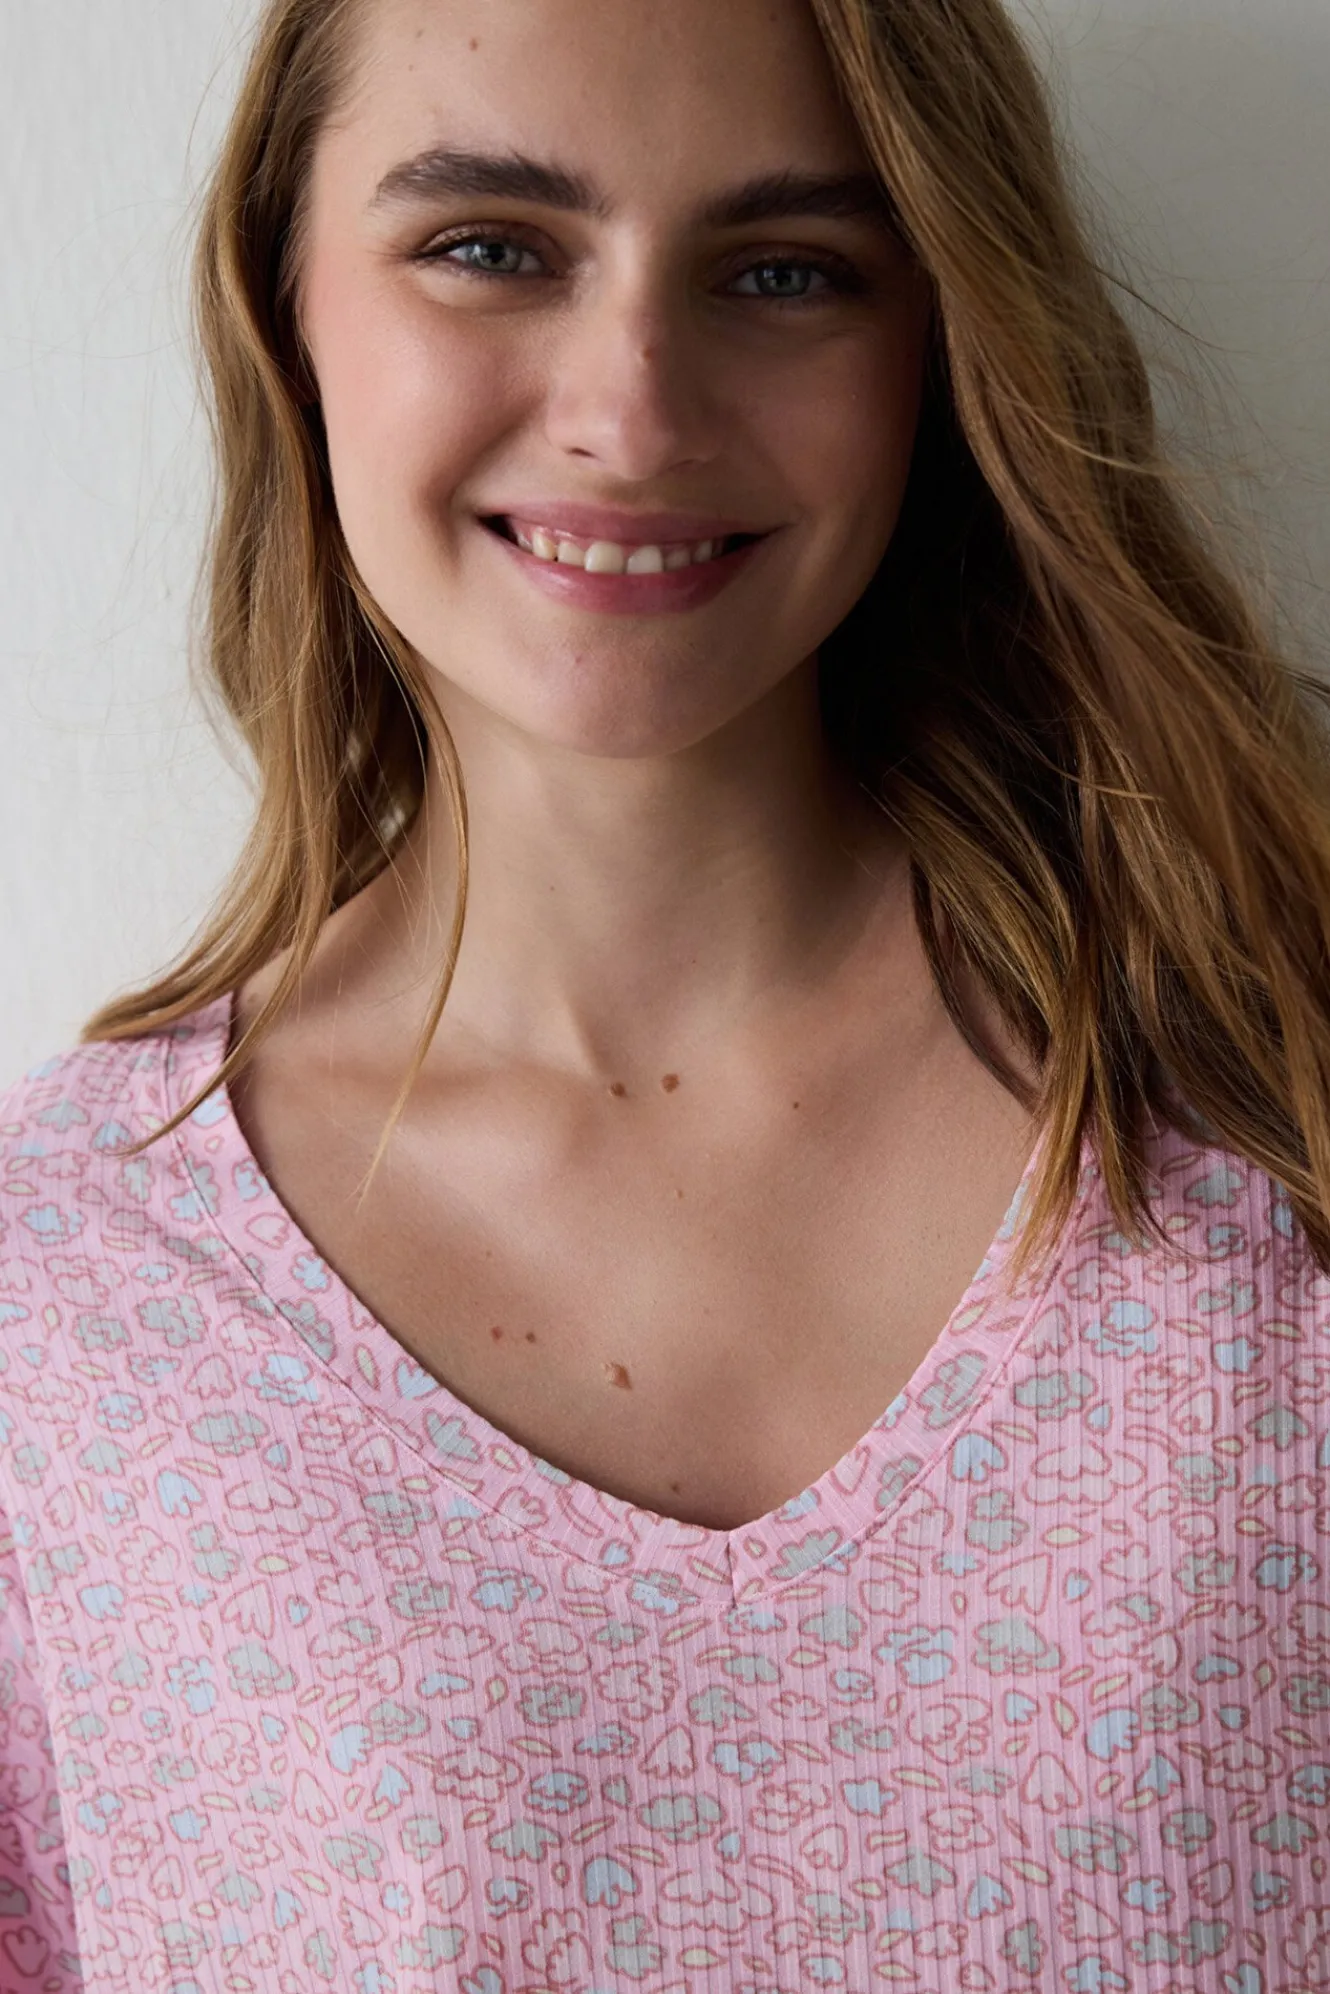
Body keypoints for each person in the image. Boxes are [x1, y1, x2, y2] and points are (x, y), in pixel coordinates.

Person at [2, 0, 1328, 1986]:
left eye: (784, 271)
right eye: (489, 246)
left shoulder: (1278, 1134)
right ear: (285, 305)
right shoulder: (62, 1306)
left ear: (936, 341)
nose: (630, 412)